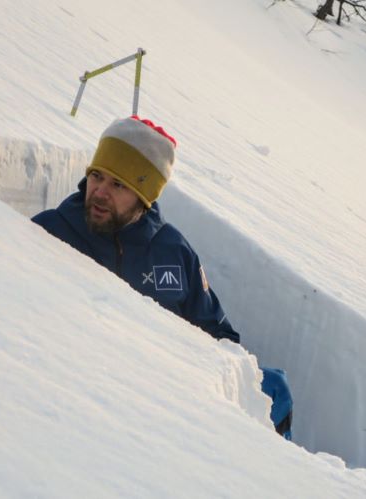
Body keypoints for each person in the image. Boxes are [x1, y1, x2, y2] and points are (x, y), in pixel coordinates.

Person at [32, 116, 292, 439]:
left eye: (118, 185)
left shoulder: (174, 252)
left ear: (144, 195)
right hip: (77, 388)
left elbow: (219, 335)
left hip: (170, 398)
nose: (99, 192)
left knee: (276, 388)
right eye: (97, 176)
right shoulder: (49, 230)